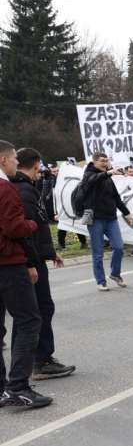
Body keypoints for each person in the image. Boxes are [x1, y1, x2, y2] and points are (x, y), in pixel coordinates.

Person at [10, 148, 75, 381]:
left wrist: (50, 252)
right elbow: (26, 230)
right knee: (38, 310)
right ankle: (40, 360)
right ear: (37, 164)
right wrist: (31, 262)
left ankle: (30, 362)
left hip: (32, 257)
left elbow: (37, 227)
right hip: (30, 260)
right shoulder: (24, 190)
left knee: (30, 313)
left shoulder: (21, 187)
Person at [0, 140, 51, 409]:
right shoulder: (5, 188)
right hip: (8, 263)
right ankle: (18, 387)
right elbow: (14, 228)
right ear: (3, 160)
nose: (16, 163)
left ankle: (3, 389)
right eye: (13, 159)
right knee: (29, 320)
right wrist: (30, 224)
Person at [81, 152, 133, 290]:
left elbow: (116, 198)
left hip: (110, 218)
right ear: (94, 162)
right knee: (98, 253)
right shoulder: (88, 174)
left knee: (119, 247)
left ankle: (115, 274)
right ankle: (101, 281)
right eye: (102, 161)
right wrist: (108, 173)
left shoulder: (107, 177)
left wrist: (127, 213)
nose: (105, 163)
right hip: (94, 218)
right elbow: (93, 180)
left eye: (106, 160)